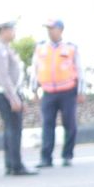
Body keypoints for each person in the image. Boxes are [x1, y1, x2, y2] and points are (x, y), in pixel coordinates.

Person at [0, 19, 33, 177]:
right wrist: (14, 99)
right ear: (3, 31)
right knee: (13, 130)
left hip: (7, 93)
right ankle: (16, 165)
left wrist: (19, 97)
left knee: (11, 129)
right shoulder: (0, 51)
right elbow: (4, 77)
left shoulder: (6, 49)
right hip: (4, 94)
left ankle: (11, 164)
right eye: (11, 29)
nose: (13, 32)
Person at [32, 17, 80, 168]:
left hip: (68, 91)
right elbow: (35, 70)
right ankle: (46, 158)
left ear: (60, 30)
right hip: (48, 92)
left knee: (70, 124)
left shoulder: (70, 47)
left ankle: (67, 155)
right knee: (47, 125)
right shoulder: (41, 48)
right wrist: (34, 90)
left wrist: (81, 91)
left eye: (52, 28)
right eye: (48, 29)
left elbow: (79, 69)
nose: (50, 32)